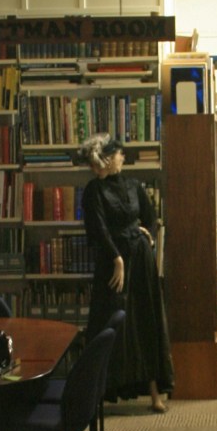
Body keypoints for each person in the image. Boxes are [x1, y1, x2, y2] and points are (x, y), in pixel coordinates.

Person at [81, 133, 174, 412]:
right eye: (118, 154)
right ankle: (96, 394)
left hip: (141, 258)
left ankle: (155, 392)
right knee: (110, 322)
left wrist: (149, 236)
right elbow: (98, 228)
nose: (122, 157)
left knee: (147, 320)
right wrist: (117, 259)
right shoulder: (93, 191)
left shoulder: (134, 186)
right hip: (114, 264)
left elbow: (151, 217)